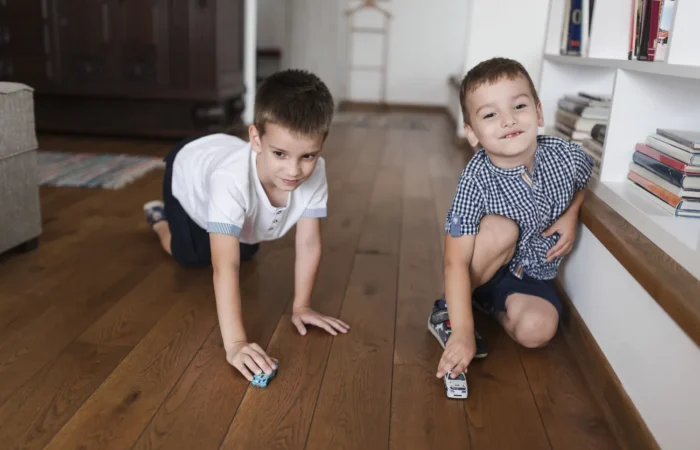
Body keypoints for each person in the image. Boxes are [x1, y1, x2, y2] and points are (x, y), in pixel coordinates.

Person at [142, 69, 350, 381]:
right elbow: (224, 267)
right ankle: (160, 219)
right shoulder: (230, 181)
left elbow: (308, 242)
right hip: (189, 168)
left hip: (224, 171)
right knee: (191, 256)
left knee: (248, 251)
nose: (294, 170)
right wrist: (236, 344)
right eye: (279, 153)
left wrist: (302, 305)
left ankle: (217, 220)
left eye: (307, 155)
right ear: (256, 138)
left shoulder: (315, 171)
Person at [428, 57, 594, 379]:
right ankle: (451, 308)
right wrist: (462, 334)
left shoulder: (565, 156)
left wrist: (572, 214)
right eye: (490, 114)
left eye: (519, 107)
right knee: (504, 229)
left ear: (539, 112)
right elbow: (456, 261)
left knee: (539, 330)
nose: (508, 120)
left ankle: (488, 307)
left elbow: (587, 181)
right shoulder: (476, 178)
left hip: (532, 275)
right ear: (472, 133)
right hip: (487, 264)